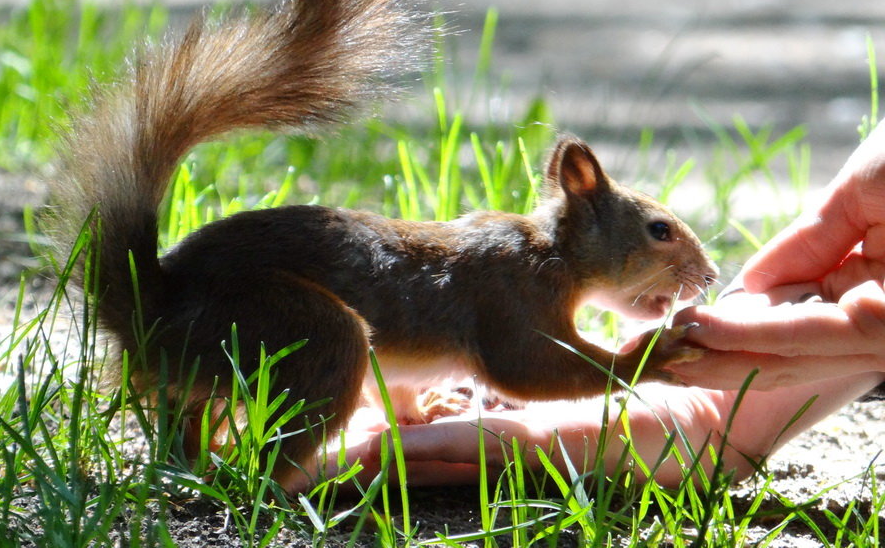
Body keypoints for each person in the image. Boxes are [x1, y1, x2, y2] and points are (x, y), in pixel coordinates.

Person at [332, 124, 885, 488]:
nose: (708, 276)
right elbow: (519, 373)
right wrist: (631, 370)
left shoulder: (522, 267)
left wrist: (724, 420)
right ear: (587, 208)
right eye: (661, 235)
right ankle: (279, 467)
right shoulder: (531, 276)